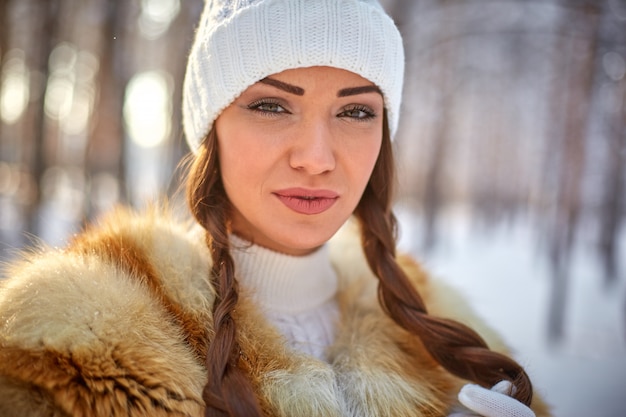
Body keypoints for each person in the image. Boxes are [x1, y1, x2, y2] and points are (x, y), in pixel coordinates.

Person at [0, 0, 551, 416]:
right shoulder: (68, 355)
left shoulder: (452, 349)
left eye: (356, 112)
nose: (315, 158)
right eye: (272, 105)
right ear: (212, 128)